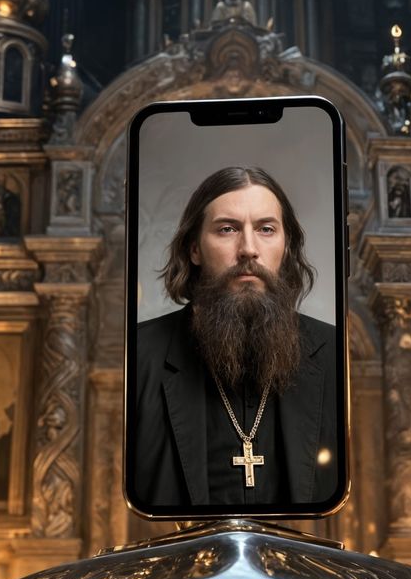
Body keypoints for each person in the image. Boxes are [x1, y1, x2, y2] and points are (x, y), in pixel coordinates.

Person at [133, 166, 338, 509]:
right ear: (195, 249)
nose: (248, 249)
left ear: (286, 247)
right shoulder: (140, 354)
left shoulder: (332, 352)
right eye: (227, 229)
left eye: (266, 229)